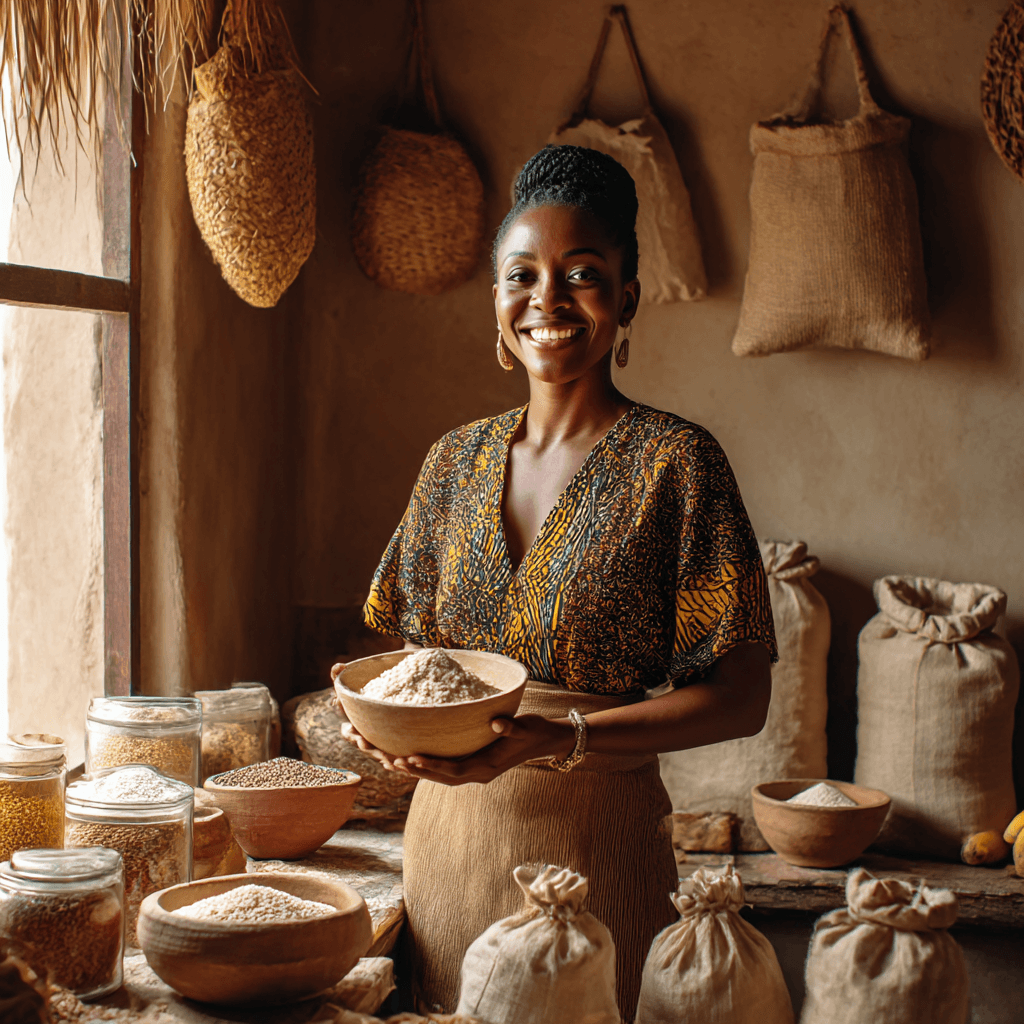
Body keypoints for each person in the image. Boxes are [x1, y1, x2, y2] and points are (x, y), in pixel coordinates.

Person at [336, 144, 777, 1021]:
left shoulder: (677, 464)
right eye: (522, 275)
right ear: (497, 302)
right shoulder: (451, 463)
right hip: (448, 851)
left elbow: (742, 700)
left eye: (581, 273)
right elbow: (411, 662)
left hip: (598, 846)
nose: (548, 298)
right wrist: (389, 735)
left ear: (626, 299)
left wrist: (548, 738)